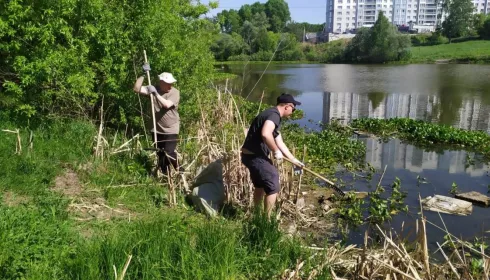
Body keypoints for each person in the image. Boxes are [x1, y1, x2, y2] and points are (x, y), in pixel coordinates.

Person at [241, 93, 305, 217]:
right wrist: (275, 151)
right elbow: (266, 133)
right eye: (293, 108)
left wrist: (293, 159)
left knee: (260, 186)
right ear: (287, 106)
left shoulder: (272, 114)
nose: (294, 111)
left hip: (250, 156)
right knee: (273, 184)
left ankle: (257, 215)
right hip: (255, 157)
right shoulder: (274, 115)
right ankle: (266, 221)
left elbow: (279, 141)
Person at [133, 63, 180, 175]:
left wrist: (155, 94)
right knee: (160, 154)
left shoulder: (175, 92)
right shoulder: (154, 88)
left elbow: (167, 105)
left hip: (171, 128)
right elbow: (136, 89)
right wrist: (143, 74)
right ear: (161, 82)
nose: (170, 86)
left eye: (171, 83)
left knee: (169, 152)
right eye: (168, 84)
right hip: (156, 128)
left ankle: (180, 171)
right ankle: (166, 176)